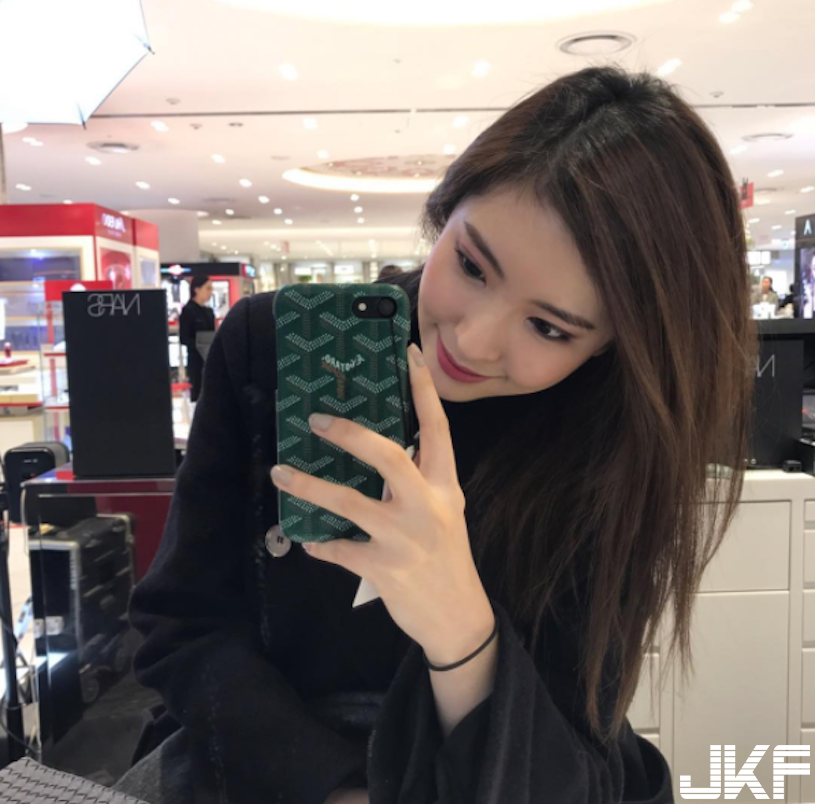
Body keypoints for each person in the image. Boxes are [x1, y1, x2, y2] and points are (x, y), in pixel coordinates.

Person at [115, 66, 756, 804]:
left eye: (549, 327)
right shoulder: (273, 348)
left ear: (613, 346)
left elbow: (572, 749)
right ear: (444, 214)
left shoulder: (608, 450)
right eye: (472, 266)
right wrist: (337, 791)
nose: (473, 341)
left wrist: (460, 628)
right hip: (262, 772)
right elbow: (182, 624)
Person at [178, 275, 215, 402]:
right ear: (197, 289)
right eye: (208, 288)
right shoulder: (188, 311)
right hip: (196, 361)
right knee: (199, 394)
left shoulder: (209, 312)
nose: (210, 292)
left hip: (210, 359)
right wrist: (199, 345)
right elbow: (184, 337)